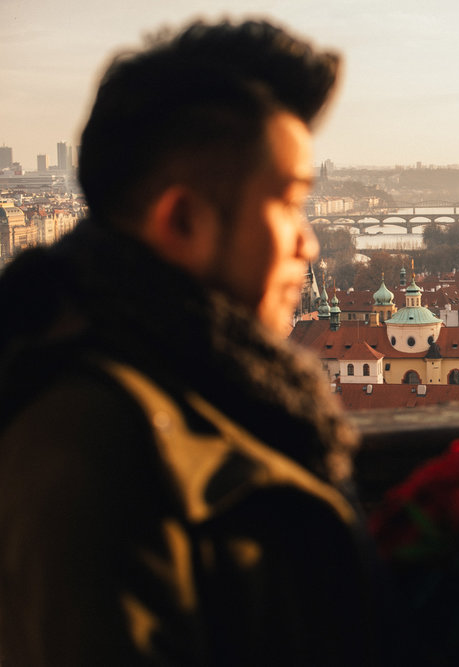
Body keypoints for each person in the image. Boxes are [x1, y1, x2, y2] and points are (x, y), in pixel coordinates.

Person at [0, 20, 383, 665]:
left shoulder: (172, 386)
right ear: (182, 220)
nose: (308, 243)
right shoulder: (92, 457)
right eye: (289, 203)